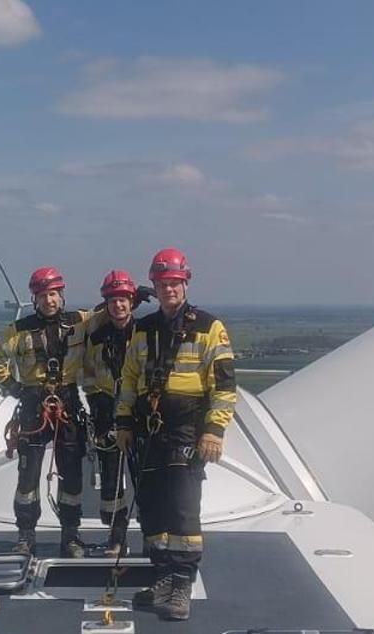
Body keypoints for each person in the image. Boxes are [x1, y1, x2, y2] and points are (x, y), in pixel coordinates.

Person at [116, 248, 236, 622]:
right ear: (154, 284)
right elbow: (130, 378)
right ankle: (163, 576)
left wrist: (214, 430)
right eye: (163, 283)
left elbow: (224, 384)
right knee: (152, 507)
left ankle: (181, 581)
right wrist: (122, 422)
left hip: (187, 429)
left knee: (183, 509)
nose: (169, 289)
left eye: (175, 283)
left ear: (185, 283)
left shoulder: (208, 326)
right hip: (148, 431)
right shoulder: (145, 329)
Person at [0, 266, 91, 557]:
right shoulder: (19, 331)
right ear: (34, 298)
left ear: (61, 295)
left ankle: (70, 535)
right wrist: (13, 387)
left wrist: (127, 297)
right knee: (28, 476)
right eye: (43, 295)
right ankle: (26, 535)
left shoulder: (80, 321)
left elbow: (110, 315)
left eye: (53, 294)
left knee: (71, 474)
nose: (49, 300)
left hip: (67, 402)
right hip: (33, 404)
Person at [80, 269, 144, 557]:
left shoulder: (144, 333)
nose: (119, 305)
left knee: (144, 477)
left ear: (132, 302)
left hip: (139, 415)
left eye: (124, 300)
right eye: (113, 300)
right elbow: (90, 373)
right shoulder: (96, 336)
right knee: (111, 480)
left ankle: (153, 537)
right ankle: (117, 538)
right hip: (107, 412)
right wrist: (97, 404)